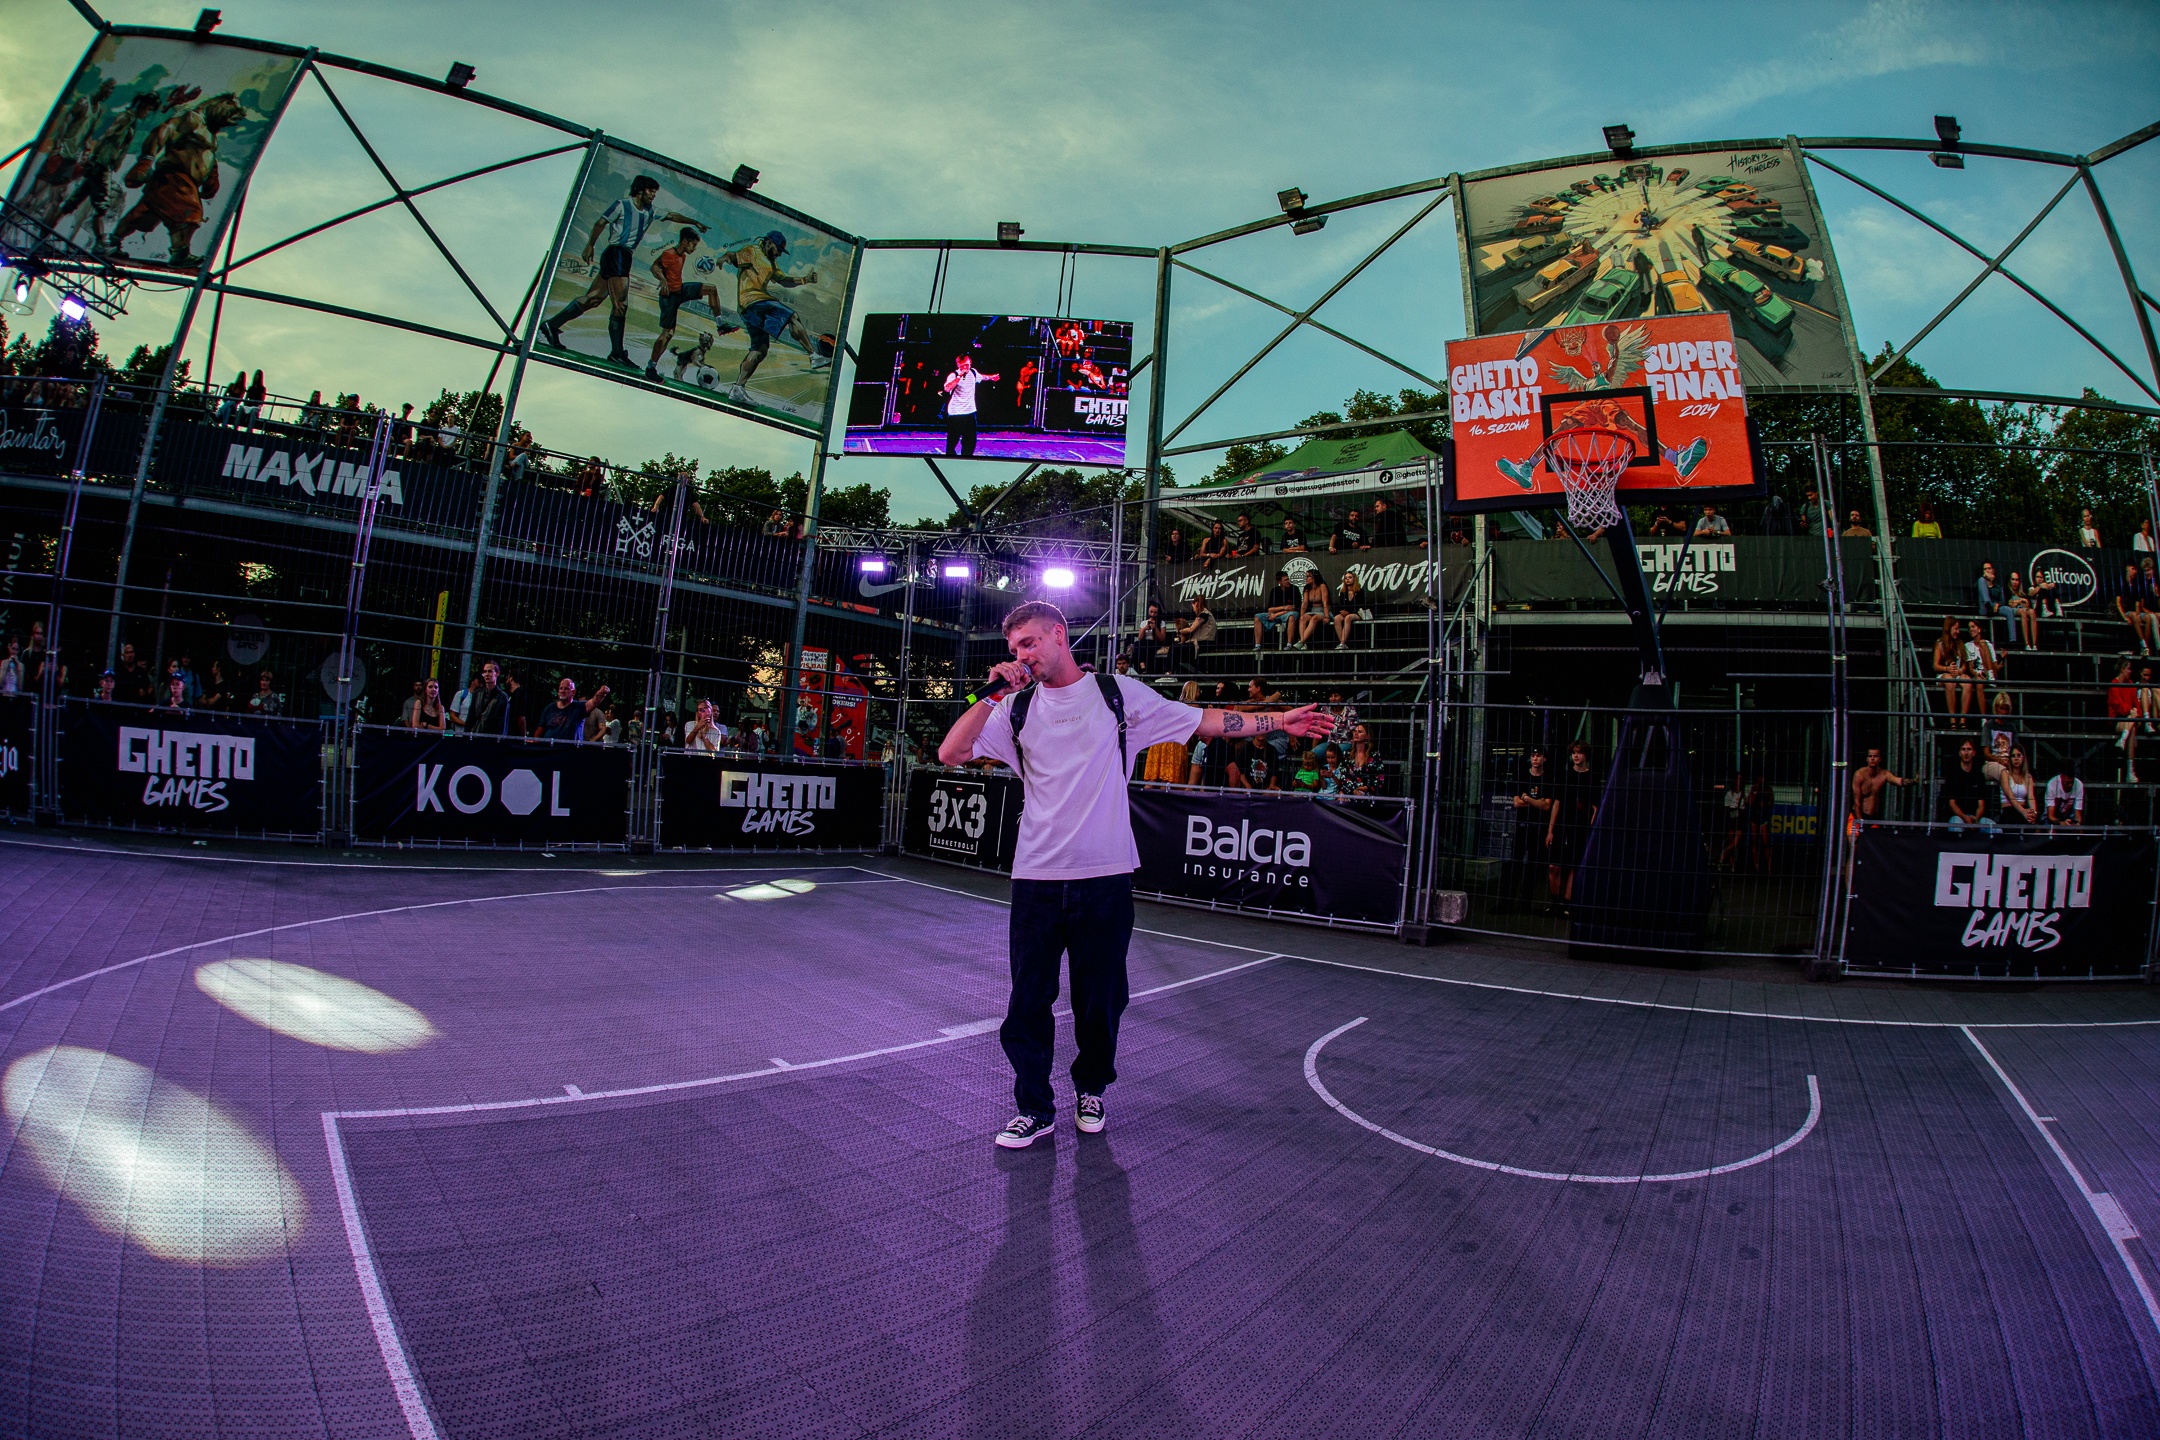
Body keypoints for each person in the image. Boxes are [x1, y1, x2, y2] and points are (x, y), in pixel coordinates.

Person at [937, 600, 1332, 1148]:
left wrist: (1280, 720)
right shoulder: (1014, 709)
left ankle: (1091, 1089)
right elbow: (951, 751)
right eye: (1014, 649)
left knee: (1100, 1000)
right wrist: (991, 693)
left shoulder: (1116, 695)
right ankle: (1034, 1107)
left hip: (1104, 877)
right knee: (1027, 1001)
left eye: (1029, 643)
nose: (1021, 655)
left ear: (1059, 635)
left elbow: (1205, 721)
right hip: (1036, 879)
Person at [538, 173, 707, 367]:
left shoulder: (650, 211)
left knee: (594, 298)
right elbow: (601, 223)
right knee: (621, 305)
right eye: (651, 191)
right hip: (617, 253)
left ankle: (551, 326)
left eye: (655, 192)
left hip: (622, 256)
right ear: (640, 190)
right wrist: (590, 245)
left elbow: (672, 215)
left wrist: (693, 222)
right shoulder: (622, 205)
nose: (653, 195)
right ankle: (617, 353)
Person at [724, 231, 824, 403]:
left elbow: (784, 280)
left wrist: (805, 280)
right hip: (754, 301)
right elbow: (733, 257)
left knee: (760, 350)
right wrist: (724, 258)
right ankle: (814, 355)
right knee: (792, 316)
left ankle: (737, 388)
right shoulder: (753, 251)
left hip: (749, 309)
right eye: (778, 250)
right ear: (769, 243)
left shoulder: (771, 263)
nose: (779, 254)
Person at [644, 228, 730, 381]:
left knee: (711, 289)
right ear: (684, 241)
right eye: (693, 245)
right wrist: (662, 280)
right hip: (669, 296)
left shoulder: (682, 255)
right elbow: (654, 267)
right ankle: (651, 367)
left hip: (680, 290)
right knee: (667, 334)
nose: (694, 248)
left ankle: (720, 325)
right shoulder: (669, 254)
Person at [1546, 741, 1597, 903]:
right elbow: (1556, 804)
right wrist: (1550, 830)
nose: (1576, 756)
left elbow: (1595, 808)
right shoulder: (1565, 776)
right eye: (1573, 752)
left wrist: (1591, 829)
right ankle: (1555, 902)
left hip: (1580, 827)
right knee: (1554, 866)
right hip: (1562, 825)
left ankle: (1567, 904)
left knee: (1574, 866)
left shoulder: (1592, 778)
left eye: (1579, 752)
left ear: (1586, 755)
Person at [1509, 748, 1555, 911]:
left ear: (1544, 759)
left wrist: (1527, 798)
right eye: (1533, 755)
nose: (1535, 758)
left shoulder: (1548, 779)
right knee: (1514, 864)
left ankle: (1525, 903)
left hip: (1538, 828)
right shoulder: (1522, 777)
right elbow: (1516, 803)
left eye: (1539, 756)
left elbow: (1547, 806)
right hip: (1522, 826)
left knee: (1532, 867)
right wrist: (1537, 802)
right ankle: (1508, 901)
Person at [940, 353, 1000, 457]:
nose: (966, 368)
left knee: (970, 441)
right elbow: (947, 388)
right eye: (963, 366)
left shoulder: (973, 372)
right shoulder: (953, 375)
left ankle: (966, 458)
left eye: (967, 365)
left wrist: (991, 377)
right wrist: (959, 376)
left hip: (970, 413)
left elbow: (982, 377)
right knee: (952, 442)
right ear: (958, 365)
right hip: (956, 413)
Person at [1142, 682, 1199, 784]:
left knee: (1152, 780)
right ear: (1194, 691)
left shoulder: (1177, 705)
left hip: (1159, 740)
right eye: (1198, 689)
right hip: (1174, 744)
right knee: (1167, 781)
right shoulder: (1195, 707)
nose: (1200, 692)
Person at [1940, 738, 1995, 834]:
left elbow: (1981, 804)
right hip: (1958, 817)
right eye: (1963, 749)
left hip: (1976, 818)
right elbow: (1952, 803)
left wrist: (1975, 819)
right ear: (1959, 753)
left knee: (1996, 829)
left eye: (1969, 749)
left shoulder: (1978, 774)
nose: (1966, 753)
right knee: (1955, 827)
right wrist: (1965, 818)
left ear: (1974, 753)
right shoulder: (1952, 774)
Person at [536, 677, 610, 744]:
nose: (562, 691)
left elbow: (593, 702)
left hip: (570, 750)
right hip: (549, 748)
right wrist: (535, 743)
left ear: (573, 692)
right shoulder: (549, 708)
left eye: (566, 688)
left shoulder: (579, 707)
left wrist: (602, 692)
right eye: (561, 688)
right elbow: (540, 729)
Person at [1932, 616, 1974, 727]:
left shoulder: (1959, 643)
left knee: (1968, 682)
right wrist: (1947, 669)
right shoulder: (1940, 643)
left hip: (1957, 673)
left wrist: (1959, 671)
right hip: (1944, 673)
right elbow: (1935, 666)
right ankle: (1952, 719)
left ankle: (1963, 719)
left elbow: (1964, 664)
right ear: (1948, 628)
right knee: (1950, 681)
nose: (1958, 631)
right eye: (1956, 629)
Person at [1850, 747, 1911, 821]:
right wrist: (1860, 822)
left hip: (1873, 818)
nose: (1872, 759)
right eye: (1870, 756)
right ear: (1867, 759)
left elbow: (1899, 781)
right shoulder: (1859, 775)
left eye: (1875, 756)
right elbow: (1857, 802)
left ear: (1880, 759)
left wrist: (1914, 781)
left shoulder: (1884, 774)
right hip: (1857, 816)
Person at [2114, 560, 2155, 655]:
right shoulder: (2121, 583)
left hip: (2134, 613)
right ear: (2127, 569)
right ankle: (2144, 646)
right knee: (2133, 614)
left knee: (2148, 618)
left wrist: (2138, 615)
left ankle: (2145, 647)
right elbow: (2118, 603)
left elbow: (2137, 604)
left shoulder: (2136, 585)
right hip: (2124, 612)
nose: (2135, 571)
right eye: (2133, 569)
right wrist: (2125, 617)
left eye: (2135, 569)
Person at [1336, 722, 1388, 797]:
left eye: (1360, 732)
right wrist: (1354, 790)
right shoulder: (1347, 755)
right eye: (1355, 731)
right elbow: (1343, 777)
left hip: (1369, 794)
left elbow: (1379, 779)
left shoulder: (1374, 755)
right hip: (1350, 793)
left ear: (1367, 736)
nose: (1356, 733)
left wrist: (1366, 788)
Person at [1253, 569, 1300, 650]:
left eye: (1288, 579)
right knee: (1257, 617)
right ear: (1279, 582)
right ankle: (1257, 645)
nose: (1288, 581)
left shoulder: (1294, 589)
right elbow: (1270, 609)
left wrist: (1276, 614)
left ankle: (1289, 644)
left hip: (1286, 614)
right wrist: (1284, 607)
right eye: (1285, 580)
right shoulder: (1274, 591)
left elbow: (1292, 608)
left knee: (1292, 615)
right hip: (1276, 614)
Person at [2109, 657, 2140, 775]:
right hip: (2117, 718)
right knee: (2132, 728)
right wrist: (2131, 711)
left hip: (2130, 717)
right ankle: (2130, 771)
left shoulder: (2131, 684)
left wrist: (2135, 712)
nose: (2130, 671)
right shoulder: (2114, 684)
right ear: (2122, 669)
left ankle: (2123, 738)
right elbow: (2118, 706)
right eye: (2128, 669)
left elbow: (2137, 704)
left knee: (2131, 725)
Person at [1961, 619, 1999, 715]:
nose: (1971, 629)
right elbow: (1971, 669)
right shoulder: (1967, 645)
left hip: (1990, 671)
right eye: (1969, 628)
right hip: (1978, 674)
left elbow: (1995, 666)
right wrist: (1978, 674)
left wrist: (2002, 660)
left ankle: (1990, 675)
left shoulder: (1988, 643)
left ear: (1979, 629)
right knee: (1979, 682)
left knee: (1983, 643)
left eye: (1973, 627)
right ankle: (1983, 717)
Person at [1997, 745, 2039, 827]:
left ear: (2023, 758)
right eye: (2013, 756)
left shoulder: (2028, 777)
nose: (2016, 758)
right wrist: (2023, 812)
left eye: (2019, 755)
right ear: (2010, 759)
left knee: (2031, 822)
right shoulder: (2005, 773)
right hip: (2008, 810)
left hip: (2023, 810)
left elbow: (2031, 797)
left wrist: (2033, 813)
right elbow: (2010, 797)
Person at [1170, 596, 1216, 670]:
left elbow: (1191, 629)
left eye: (1193, 606)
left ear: (1196, 603)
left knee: (1175, 649)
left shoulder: (1203, 615)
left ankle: (1169, 671)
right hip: (1203, 642)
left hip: (1203, 643)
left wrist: (1179, 631)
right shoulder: (1206, 614)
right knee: (1174, 648)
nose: (1193, 609)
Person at [464, 662, 510, 736]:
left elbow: (502, 723)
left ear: (497, 673)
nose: (487, 674)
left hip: (491, 737)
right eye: (485, 672)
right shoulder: (477, 693)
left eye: (490, 671)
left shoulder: (502, 697)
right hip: (475, 735)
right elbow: (470, 717)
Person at [1295, 567, 1332, 650]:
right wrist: (1301, 616)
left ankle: (1301, 641)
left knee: (1314, 618)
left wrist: (1327, 616)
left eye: (1308, 576)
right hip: (1313, 610)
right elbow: (1304, 603)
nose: (1306, 578)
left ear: (1314, 577)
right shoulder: (1307, 588)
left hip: (1323, 611)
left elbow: (1325, 602)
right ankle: (1304, 644)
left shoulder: (1322, 586)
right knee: (1303, 618)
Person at [1128, 603, 1169, 674]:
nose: (1153, 614)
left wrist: (1155, 628)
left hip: (1155, 642)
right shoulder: (1144, 623)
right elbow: (1140, 638)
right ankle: (1142, 665)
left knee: (1144, 647)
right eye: (1151, 612)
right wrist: (1144, 629)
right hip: (1144, 642)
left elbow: (1162, 638)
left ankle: (1142, 666)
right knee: (1137, 644)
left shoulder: (1162, 623)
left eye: (1155, 613)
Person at [1333, 572, 1370, 649]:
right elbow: (1342, 605)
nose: (1347, 579)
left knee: (1348, 617)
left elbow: (1360, 605)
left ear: (1354, 579)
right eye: (1346, 578)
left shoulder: (1360, 591)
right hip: (1346, 613)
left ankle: (1342, 643)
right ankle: (1342, 643)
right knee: (1337, 618)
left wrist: (1348, 612)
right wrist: (1342, 612)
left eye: (1350, 577)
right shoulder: (1343, 592)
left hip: (1357, 613)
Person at [2045, 756, 2085, 827]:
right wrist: (2061, 823)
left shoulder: (2079, 785)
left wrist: (2076, 823)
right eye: (2067, 783)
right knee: (2049, 826)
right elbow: (2050, 816)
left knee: (2079, 830)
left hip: (2070, 818)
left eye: (2072, 782)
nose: (2070, 785)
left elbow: (2078, 814)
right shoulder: (2052, 784)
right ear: (2062, 776)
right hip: (2053, 819)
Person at [2005, 571, 2038, 649]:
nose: (2015, 582)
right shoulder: (2007, 591)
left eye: (2017, 580)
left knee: (2032, 612)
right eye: (2013, 579)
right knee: (2023, 611)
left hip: (2024, 608)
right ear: (2010, 580)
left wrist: (2017, 602)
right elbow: (2010, 604)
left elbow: (2027, 604)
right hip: (2013, 610)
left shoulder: (2023, 593)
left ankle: (2034, 644)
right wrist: (2020, 601)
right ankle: (2027, 644)